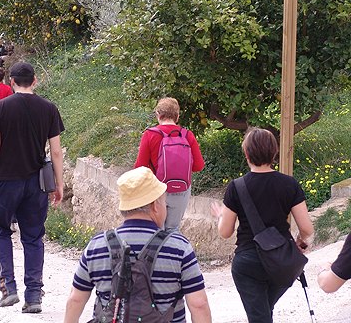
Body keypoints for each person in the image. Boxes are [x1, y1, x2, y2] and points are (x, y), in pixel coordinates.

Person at [64, 167, 212, 323]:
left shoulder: (96, 246)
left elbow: (75, 300)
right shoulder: (179, 248)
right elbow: (199, 305)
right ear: (155, 205)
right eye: (164, 202)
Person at [0, 62, 64, 313]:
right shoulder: (49, 109)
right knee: (33, 236)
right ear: (35, 80)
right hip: (37, 182)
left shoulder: (0, 108)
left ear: (12, 82)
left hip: (6, 180)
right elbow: (56, 152)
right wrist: (59, 184)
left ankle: (8, 288)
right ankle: (34, 296)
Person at [211, 128, 314, 323]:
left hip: (248, 262)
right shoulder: (289, 184)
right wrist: (300, 242)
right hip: (281, 261)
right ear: (274, 152)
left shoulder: (236, 187)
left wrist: (220, 216)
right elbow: (307, 229)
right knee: (264, 313)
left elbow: (225, 232)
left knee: (260, 316)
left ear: (246, 153)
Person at [134, 97, 205, 230]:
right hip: (181, 188)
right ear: (177, 116)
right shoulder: (187, 135)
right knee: (173, 229)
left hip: (156, 189)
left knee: (156, 229)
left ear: (158, 114)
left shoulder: (150, 135)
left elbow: (140, 167)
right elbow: (198, 166)